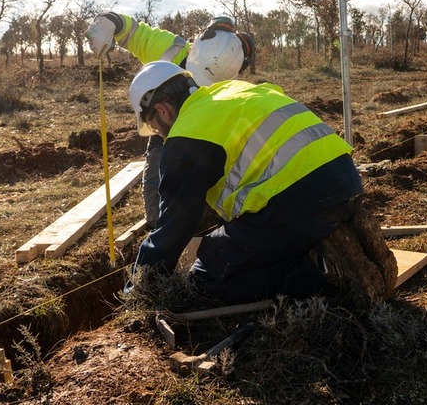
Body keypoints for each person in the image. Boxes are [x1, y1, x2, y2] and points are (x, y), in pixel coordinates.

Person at [126, 61, 396, 307]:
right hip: (344, 178)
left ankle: (323, 275)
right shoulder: (233, 90)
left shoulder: (186, 132)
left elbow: (174, 223)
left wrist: (141, 284)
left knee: (209, 275)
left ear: (162, 110)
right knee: (246, 242)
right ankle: (335, 239)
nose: (159, 134)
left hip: (301, 199)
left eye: (154, 126)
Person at [86, 12, 254, 227]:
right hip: (162, 130)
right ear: (194, 50)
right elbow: (135, 33)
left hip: (204, 134)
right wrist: (109, 22)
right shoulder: (170, 49)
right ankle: (159, 228)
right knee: (157, 183)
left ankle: (203, 228)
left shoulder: (228, 75)